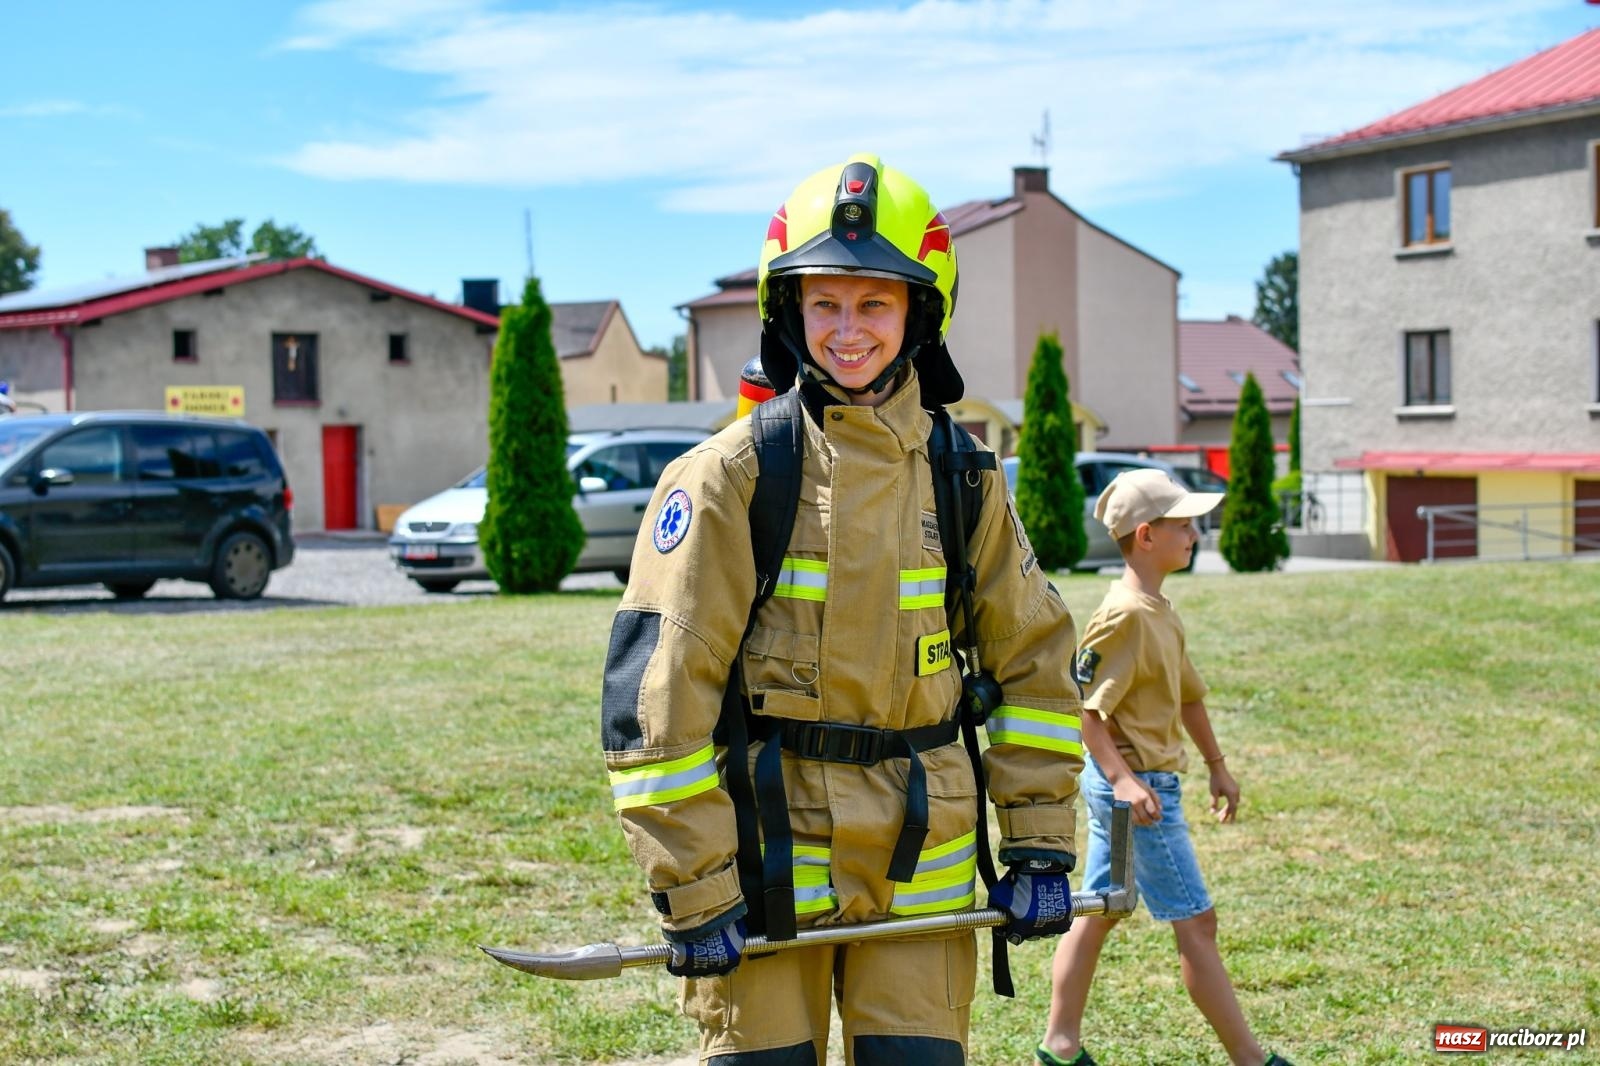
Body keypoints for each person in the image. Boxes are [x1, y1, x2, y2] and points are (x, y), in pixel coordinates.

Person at [600, 154, 1085, 1065]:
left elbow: (1033, 660)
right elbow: (658, 701)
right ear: (788, 313)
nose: (847, 330)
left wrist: (1039, 839)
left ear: (919, 314)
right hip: (764, 868)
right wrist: (697, 889)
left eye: (875, 303)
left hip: (924, 870)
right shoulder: (726, 479)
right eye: (825, 303)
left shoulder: (965, 474)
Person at [1036, 469, 1292, 1066]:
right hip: (1140, 792)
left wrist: (1218, 766)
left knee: (1101, 909)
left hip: (1146, 785)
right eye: (1185, 525)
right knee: (1197, 924)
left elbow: (1188, 694)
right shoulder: (1124, 615)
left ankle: (1060, 1042)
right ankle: (1251, 1059)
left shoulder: (1159, 608)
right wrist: (1125, 781)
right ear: (1146, 536)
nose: (1196, 534)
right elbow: (1087, 712)